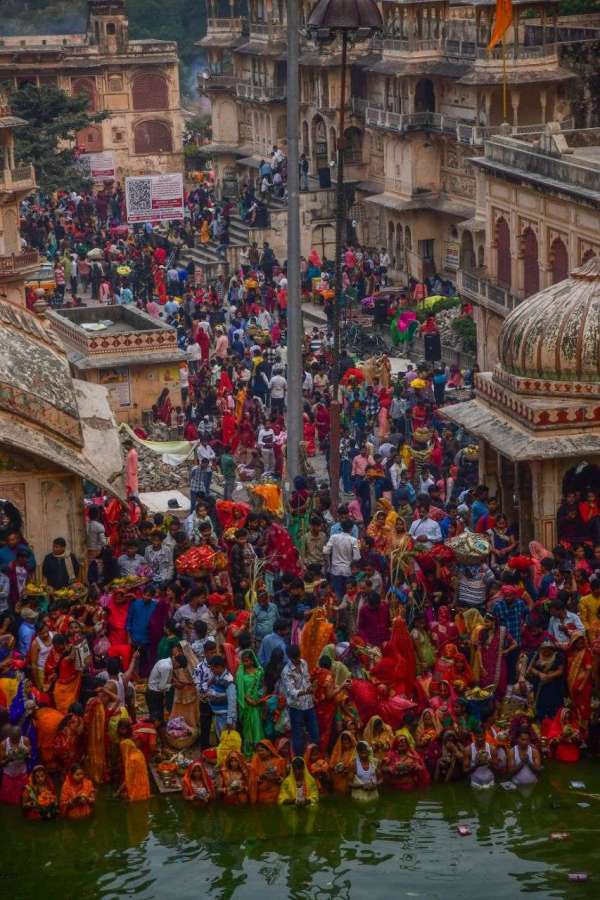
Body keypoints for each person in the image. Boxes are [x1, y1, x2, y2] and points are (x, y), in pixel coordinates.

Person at [281, 645, 319, 756]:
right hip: (296, 707)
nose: (298, 660)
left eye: (298, 657)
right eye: (295, 658)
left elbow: (307, 679)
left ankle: (314, 756)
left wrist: (313, 686)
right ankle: (299, 758)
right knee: (297, 735)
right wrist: (306, 691)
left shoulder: (303, 663)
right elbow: (291, 692)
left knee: (314, 732)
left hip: (309, 704)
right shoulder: (286, 672)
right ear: (290, 658)